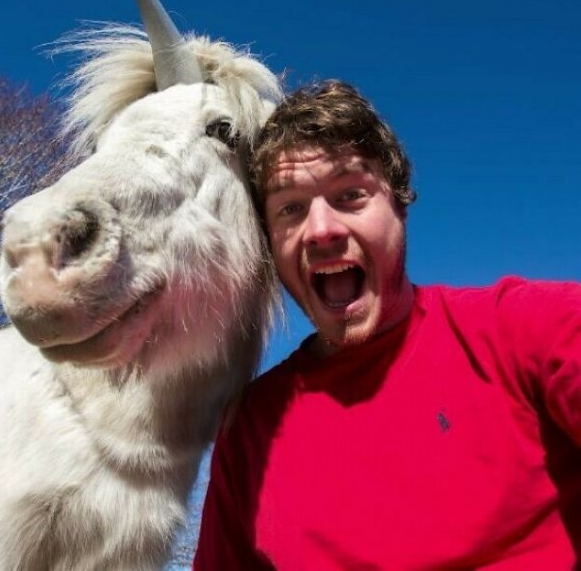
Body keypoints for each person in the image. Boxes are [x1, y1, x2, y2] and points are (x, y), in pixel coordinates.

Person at [193, 80, 581, 569]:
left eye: (350, 195)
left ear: (399, 205)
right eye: (290, 208)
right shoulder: (250, 430)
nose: (321, 230)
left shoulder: (527, 329)